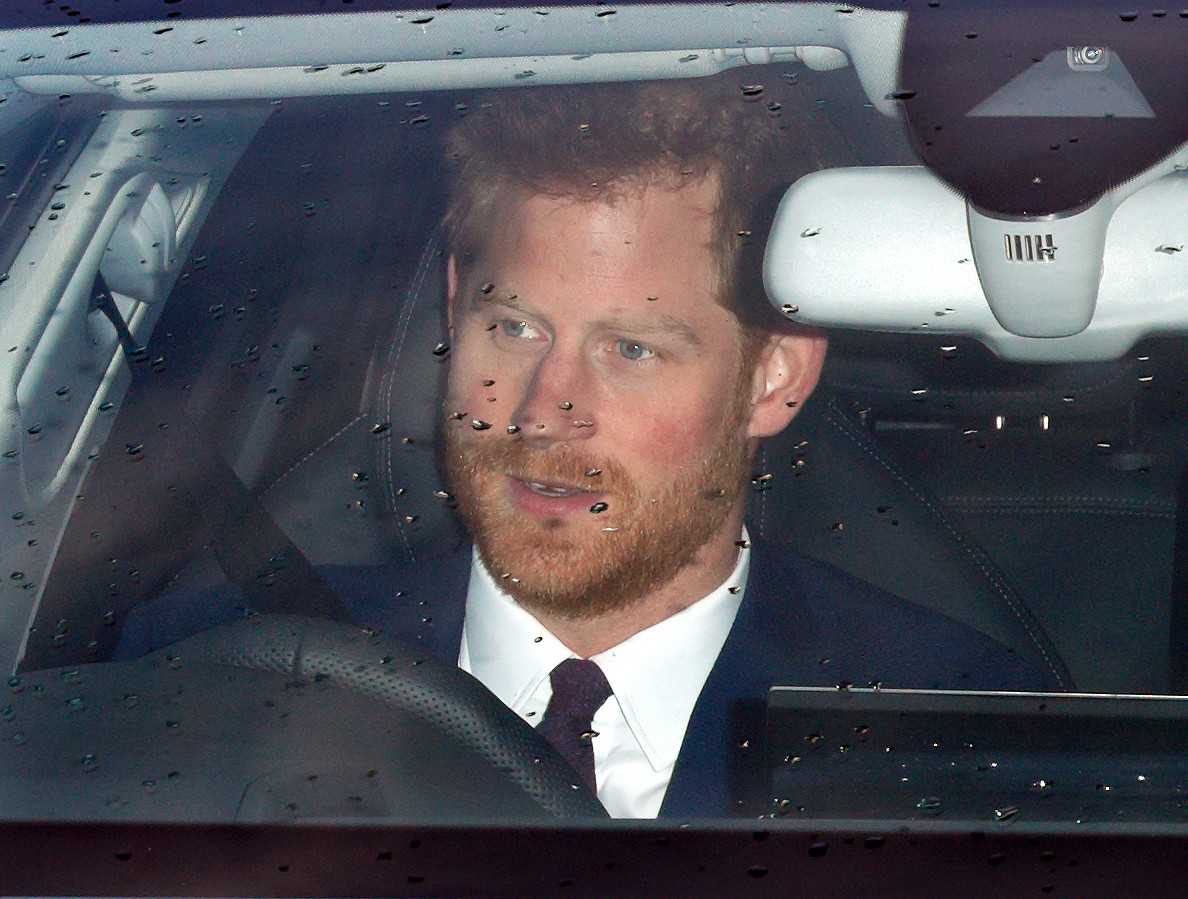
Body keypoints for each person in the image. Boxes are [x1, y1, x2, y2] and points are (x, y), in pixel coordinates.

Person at [117, 77, 1054, 818]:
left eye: (631, 349)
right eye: (515, 329)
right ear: (455, 311)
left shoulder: (953, 732)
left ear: (773, 376)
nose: (543, 411)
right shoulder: (217, 674)